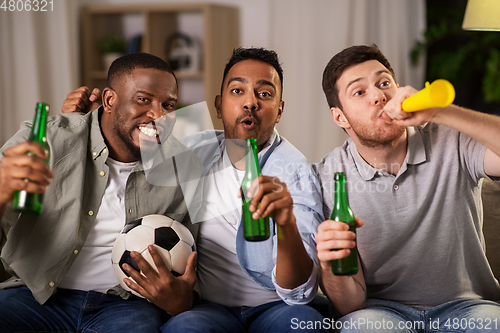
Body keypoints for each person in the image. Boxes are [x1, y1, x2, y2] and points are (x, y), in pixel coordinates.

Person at [63, 47, 328, 333]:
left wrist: (285, 223)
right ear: (218, 105)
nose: (250, 102)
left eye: (264, 94)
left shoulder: (296, 172)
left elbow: (300, 292)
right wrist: (91, 120)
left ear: (279, 110)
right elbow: (131, 136)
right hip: (207, 308)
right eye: (237, 91)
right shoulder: (196, 146)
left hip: (276, 307)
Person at [0, 52, 203, 332]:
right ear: (109, 100)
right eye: (143, 99)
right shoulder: (47, 140)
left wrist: (181, 298)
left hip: (127, 306)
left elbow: (192, 262)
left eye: (168, 104)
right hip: (33, 296)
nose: (159, 115)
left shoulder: (184, 167)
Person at [315, 44, 500, 332]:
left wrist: (440, 112)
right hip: (379, 311)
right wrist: (328, 265)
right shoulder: (326, 179)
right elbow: (349, 305)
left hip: (468, 306)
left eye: (384, 82)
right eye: (359, 92)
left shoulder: (452, 140)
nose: (378, 95)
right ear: (340, 117)